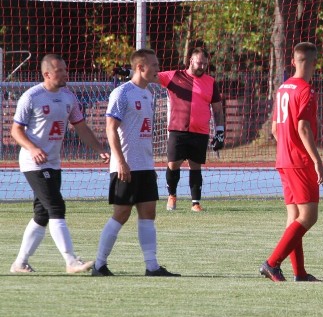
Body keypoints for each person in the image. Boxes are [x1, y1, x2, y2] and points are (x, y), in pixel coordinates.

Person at [9, 54, 110, 274]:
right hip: (33, 162)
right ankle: (71, 260)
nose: (66, 73)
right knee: (56, 207)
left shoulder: (68, 97)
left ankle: (20, 263)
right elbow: (15, 131)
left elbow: (81, 127)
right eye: (60, 70)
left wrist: (99, 149)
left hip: (53, 162)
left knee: (42, 214)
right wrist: (33, 148)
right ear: (47, 74)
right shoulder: (32, 96)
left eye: (65, 69)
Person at [92, 49, 180, 277]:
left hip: (145, 165)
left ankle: (152, 267)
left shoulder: (149, 94)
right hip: (126, 165)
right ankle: (99, 265)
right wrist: (120, 161)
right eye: (154, 65)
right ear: (140, 67)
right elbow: (110, 129)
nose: (157, 69)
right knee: (121, 214)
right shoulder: (122, 93)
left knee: (148, 213)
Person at [260, 42, 323, 282]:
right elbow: (303, 128)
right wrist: (317, 162)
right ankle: (272, 263)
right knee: (309, 217)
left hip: (284, 159)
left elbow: (276, 129)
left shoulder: (283, 89)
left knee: (294, 217)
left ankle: (299, 272)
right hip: (299, 161)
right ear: (314, 63)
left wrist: (286, 150)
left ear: (293, 61)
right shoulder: (305, 90)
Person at [158, 47, 225, 212]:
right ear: (191, 61)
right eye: (199, 62)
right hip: (178, 129)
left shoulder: (210, 82)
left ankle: (196, 203)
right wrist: (129, 72)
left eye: (205, 64)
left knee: (196, 166)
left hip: (200, 131)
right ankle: (172, 195)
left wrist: (220, 132)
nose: (202, 66)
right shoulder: (175, 76)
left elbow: (217, 109)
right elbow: (150, 77)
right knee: (173, 164)